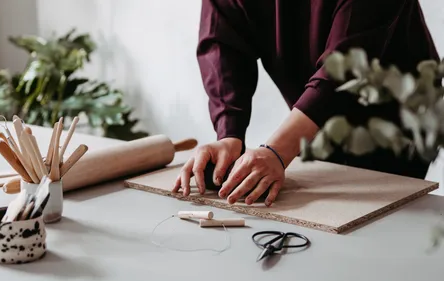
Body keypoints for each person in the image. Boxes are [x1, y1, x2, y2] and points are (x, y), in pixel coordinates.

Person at [171, 0, 440, 206]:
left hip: (399, 119)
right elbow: (221, 40)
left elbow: (346, 63)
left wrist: (276, 151)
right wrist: (229, 135)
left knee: (381, 232)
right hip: (317, 121)